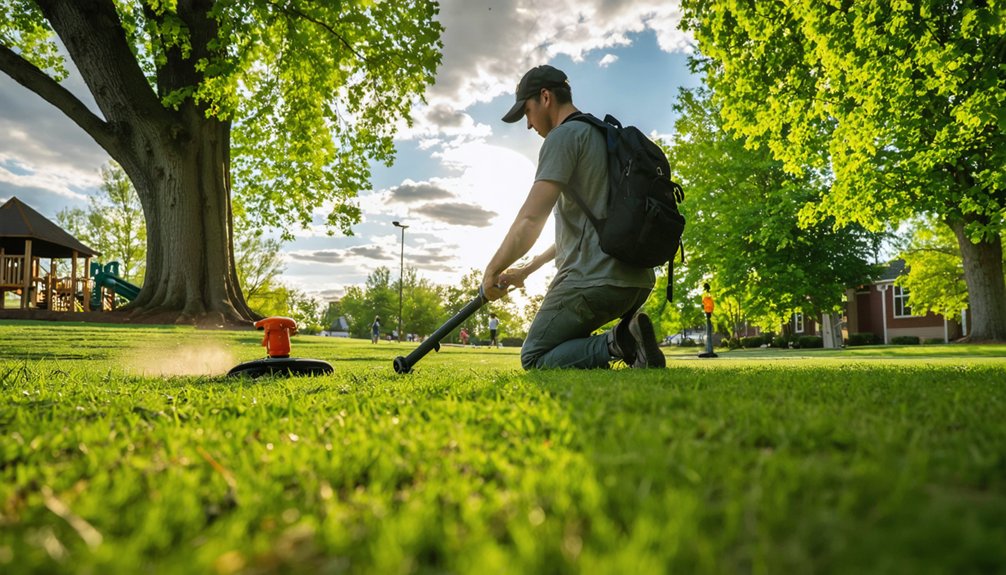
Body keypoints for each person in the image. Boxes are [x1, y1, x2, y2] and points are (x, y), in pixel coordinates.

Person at [481, 64, 664, 369]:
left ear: (545, 97)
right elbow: (587, 229)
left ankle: (619, 340)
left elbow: (530, 220)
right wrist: (526, 270)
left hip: (592, 282)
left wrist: (491, 272)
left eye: (526, 111)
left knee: (534, 357)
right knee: (569, 348)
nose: (527, 124)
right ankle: (623, 341)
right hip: (637, 281)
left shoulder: (563, 137)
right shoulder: (606, 136)